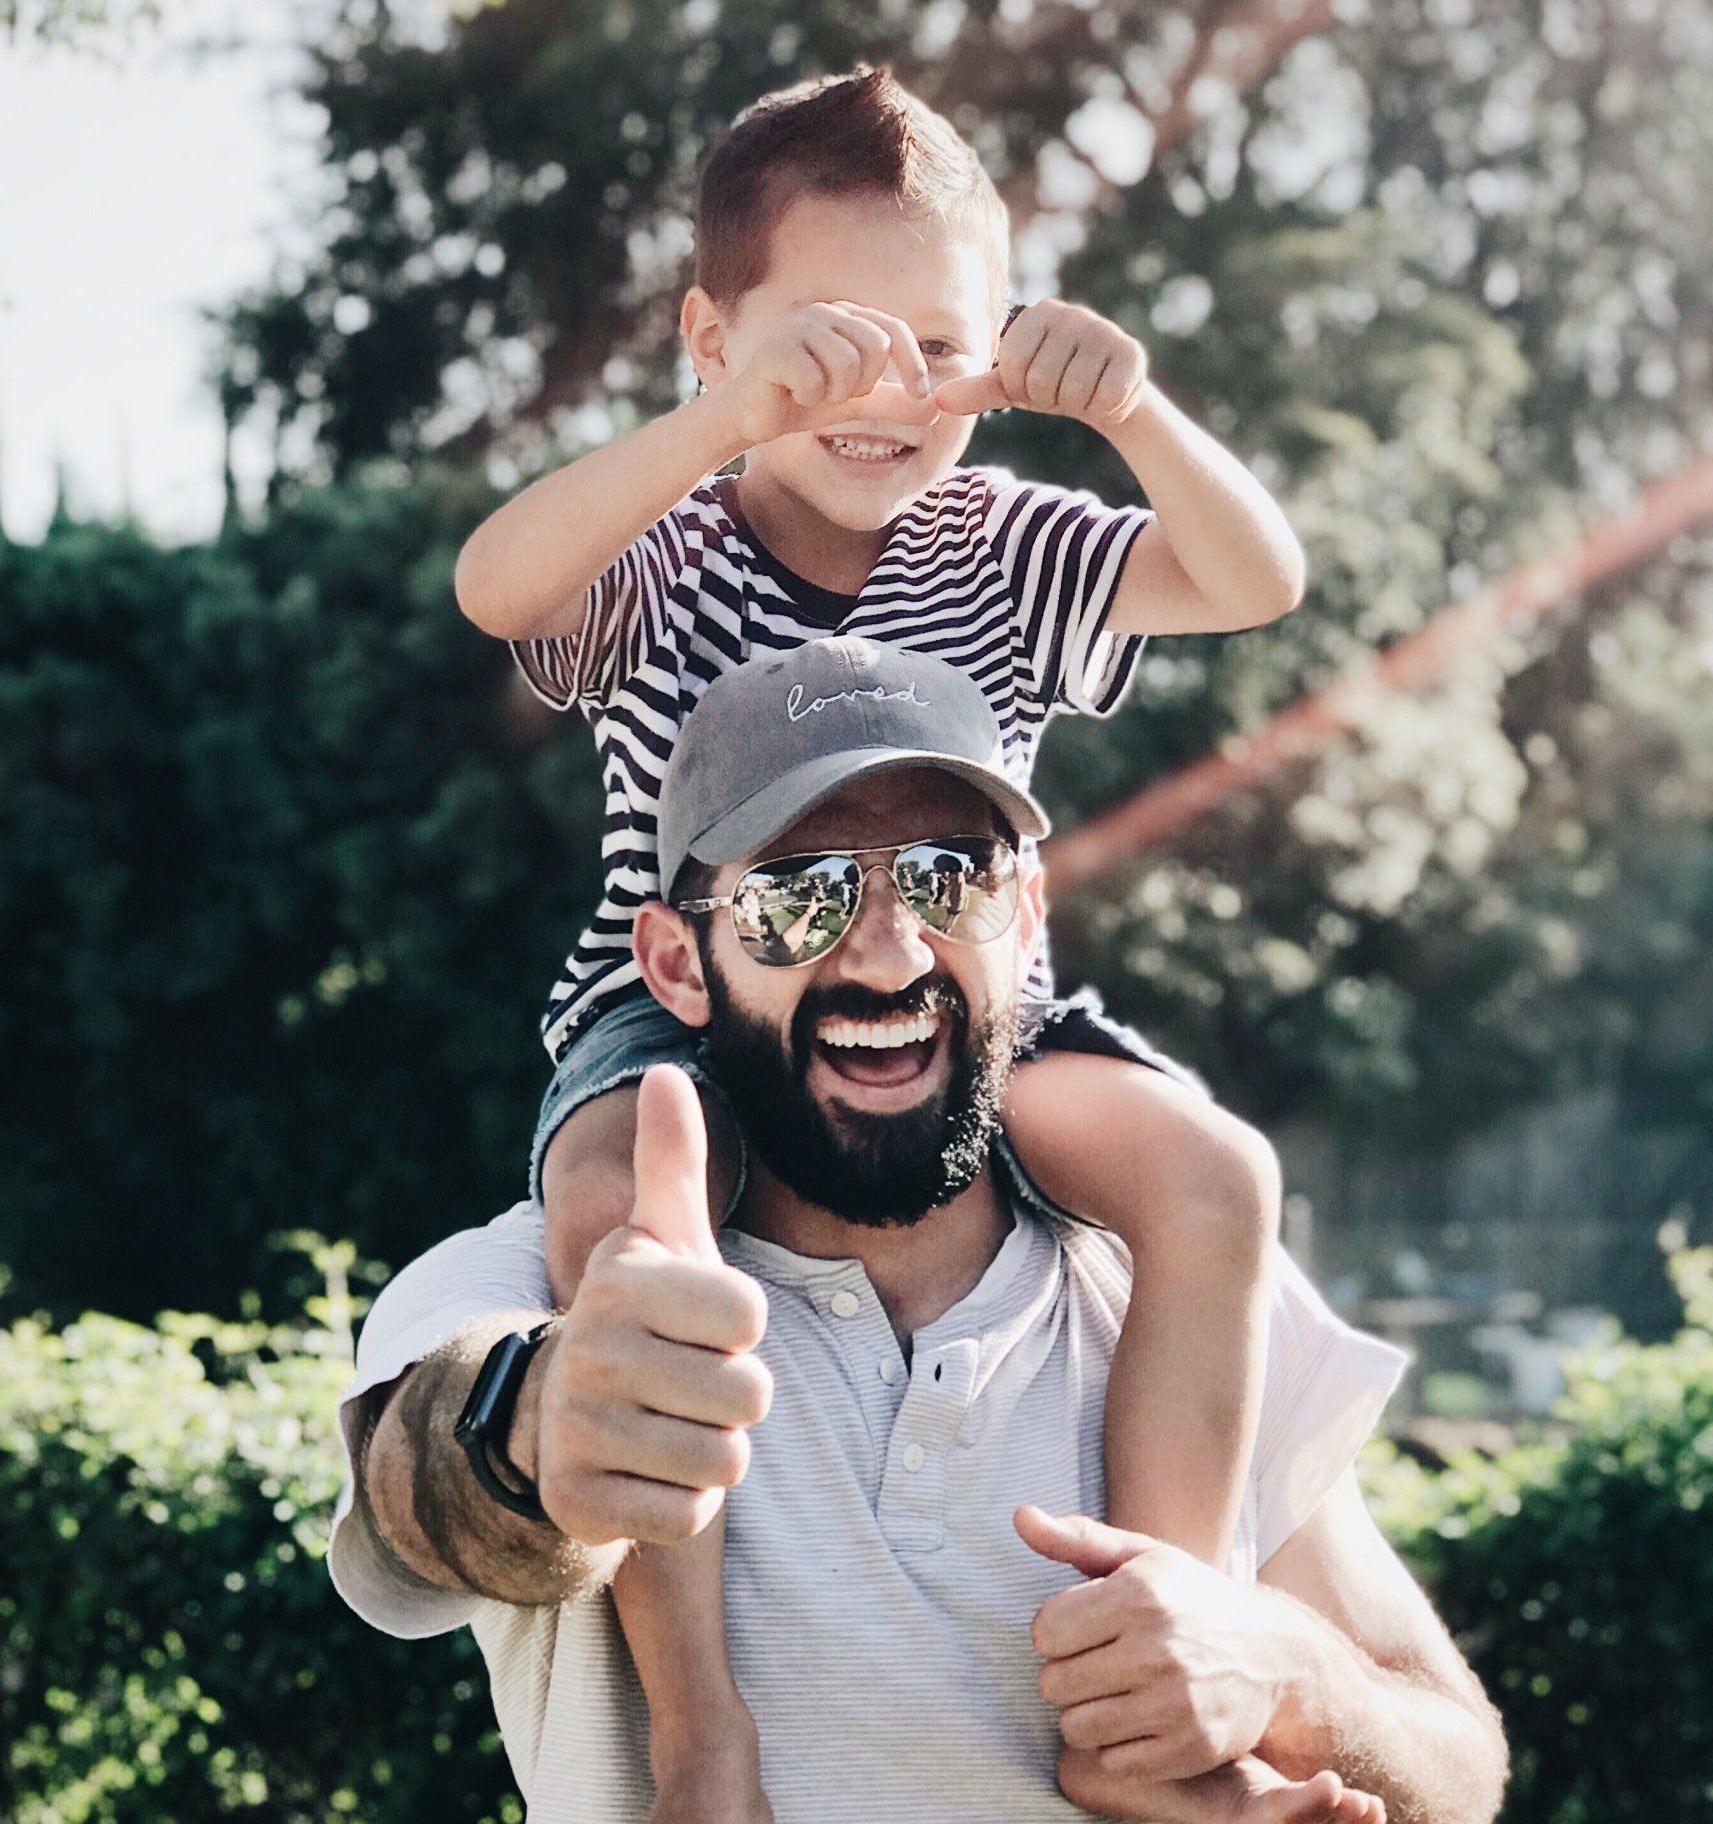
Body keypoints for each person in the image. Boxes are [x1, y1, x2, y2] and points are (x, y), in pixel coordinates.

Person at [452, 65, 1311, 1820]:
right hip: (680, 1008)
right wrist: (713, 424)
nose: (884, 390)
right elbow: (496, 585)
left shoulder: (1006, 545)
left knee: (1212, 1174)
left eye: (936, 346)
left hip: (970, 1010)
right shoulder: (665, 550)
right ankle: (700, 1723)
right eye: (825, 343)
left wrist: (1133, 411)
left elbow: (1254, 580)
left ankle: (1144, 1666)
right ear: (713, 337)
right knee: (621, 1209)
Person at [330, 640, 1509, 1824]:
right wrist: (531, 1428)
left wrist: (1290, 1672)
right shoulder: (561, 1286)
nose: (890, 954)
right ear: (678, 964)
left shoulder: (1175, 1289)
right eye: (797, 896)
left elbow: (1461, 1765)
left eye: (952, 878)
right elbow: (416, 1495)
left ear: (1026, 916)